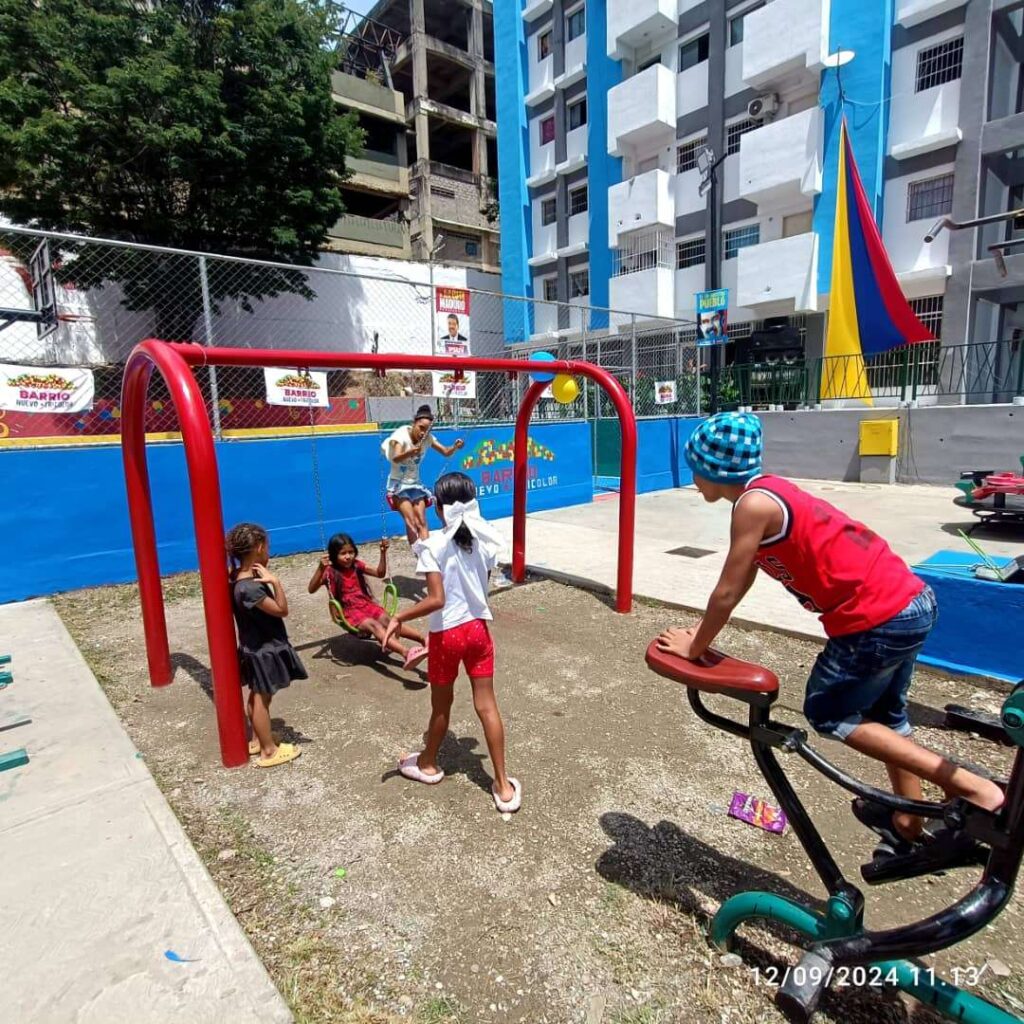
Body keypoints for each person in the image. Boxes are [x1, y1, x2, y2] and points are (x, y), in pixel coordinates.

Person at [657, 412, 1004, 856]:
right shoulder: (771, 492)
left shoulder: (752, 505)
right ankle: (910, 820)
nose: (694, 480)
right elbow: (742, 580)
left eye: (696, 469)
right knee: (885, 716)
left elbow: (725, 592)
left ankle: (976, 790)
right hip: (909, 601)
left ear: (712, 470)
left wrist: (696, 646)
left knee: (827, 712)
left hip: (874, 618)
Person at [382, 471, 520, 813]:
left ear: (439, 509)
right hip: (478, 631)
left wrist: (399, 617)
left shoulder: (432, 547)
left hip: (447, 636)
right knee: (487, 706)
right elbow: (477, 590)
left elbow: (438, 600)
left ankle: (428, 763)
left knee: (441, 706)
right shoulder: (485, 542)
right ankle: (503, 786)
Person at [226, 522, 305, 768]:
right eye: (267, 547)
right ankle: (269, 751)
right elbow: (282, 610)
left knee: (259, 695)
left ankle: (258, 740)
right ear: (259, 548)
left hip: (254, 646)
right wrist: (275, 582)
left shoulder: (235, 578)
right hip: (264, 649)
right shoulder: (250, 588)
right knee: (261, 697)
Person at [308, 533, 428, 671]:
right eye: (343, 553)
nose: (348, 556)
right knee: (374, 625)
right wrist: (320, 568)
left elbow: (380, 573)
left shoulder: (357, 565)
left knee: (388, 620)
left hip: (366, 604)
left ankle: (423, 640)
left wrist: (383, 552)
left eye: (351, 552)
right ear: (333, 555)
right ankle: (406, 653)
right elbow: (311, 589)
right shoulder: (330, 572)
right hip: (349, 612)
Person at [383, 405, 464, 543]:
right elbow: (395, 458)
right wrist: (410, 452)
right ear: (414, 423)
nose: (423, 433)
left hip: (415, 485)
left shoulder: (428, 438)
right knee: (411, 521)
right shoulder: (401, 435)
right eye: (421, 428)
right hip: (398, 485)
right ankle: (418, 554)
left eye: (427, 430)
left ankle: (426, 556)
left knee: (422, 521)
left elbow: (445, 451)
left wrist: (455, 447)